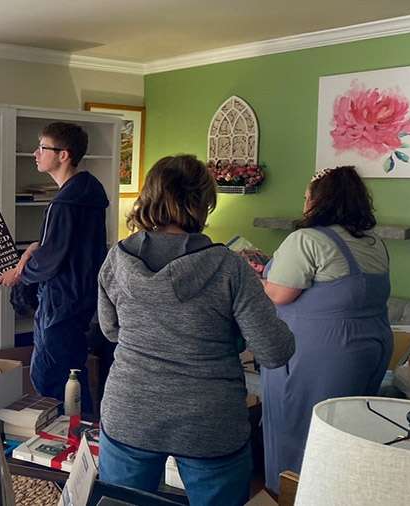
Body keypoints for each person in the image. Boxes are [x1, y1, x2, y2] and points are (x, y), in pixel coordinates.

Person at [96, 155, 294, 505]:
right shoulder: (230, 268)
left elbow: (111, 330)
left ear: (150, 197)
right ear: (203, 203)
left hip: (131, 409)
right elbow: (274, 351)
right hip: (209, 420)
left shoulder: (117, 259)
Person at [260, 166, 392, 493]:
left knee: (301, 426)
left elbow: (279, 293)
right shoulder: (373, 242)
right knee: (347, 431)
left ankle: (294, 494)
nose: (304, 203)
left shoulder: (306, 239)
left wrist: (253, 277)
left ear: (321, 201)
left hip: (321, 352)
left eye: (307, 196)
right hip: (371, 347)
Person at [0, 122, 108, 412]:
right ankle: (82, 443)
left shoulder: (65, 204)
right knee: (74, 377)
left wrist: (19, 273)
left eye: (42, 148)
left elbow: (51, 262)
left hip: (60, 304)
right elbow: (63, 247)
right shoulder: (88, 194)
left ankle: (64, 445)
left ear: (63, 155)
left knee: (49, 380)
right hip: (81, 300)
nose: (35, 153)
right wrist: (36, 248)